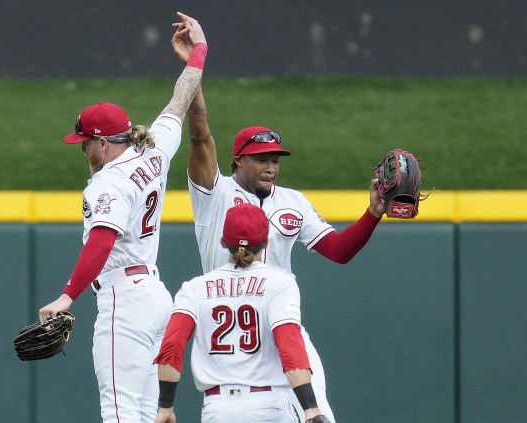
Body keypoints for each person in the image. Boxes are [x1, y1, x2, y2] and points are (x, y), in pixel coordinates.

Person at [170, 22, 385, 423]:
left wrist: (373, 212)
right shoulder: (214, 194)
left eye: (275, 159)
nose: (271, 166)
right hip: (235, 336)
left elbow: (337, 251)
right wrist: (194, 70)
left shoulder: (293, 202)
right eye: (262, 158)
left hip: (282, 322)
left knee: (319, 417)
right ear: (239, 161)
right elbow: (199, 135)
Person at [37, 12, 208, 423]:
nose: (82, 149)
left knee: (121, 412)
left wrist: (66, 296)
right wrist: (198, 51)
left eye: (85, 142)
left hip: (123, 301)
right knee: (150, 413)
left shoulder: (107, 184)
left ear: (101, 143)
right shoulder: (152, 149)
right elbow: (179, 101)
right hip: (155, 297)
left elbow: (102, 241)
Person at [153, 204, 331, 423]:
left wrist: (165, 407)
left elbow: (172, 346)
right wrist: (310, 408)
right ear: (266, 243)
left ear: (223, 242)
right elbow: (289, 344)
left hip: (217, 410)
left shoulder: (194, 288)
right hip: (269, 405)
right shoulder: (280, 283)